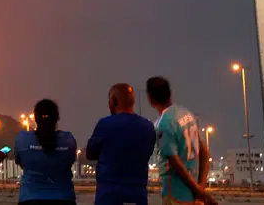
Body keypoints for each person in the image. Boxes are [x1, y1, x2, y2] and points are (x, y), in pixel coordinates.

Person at [146, 76, 215, 205]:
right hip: (193, 196)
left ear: (151, 99)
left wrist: (200, 193)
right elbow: (205, 152)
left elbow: (175, 164)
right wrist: (200, 189)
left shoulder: (163, 125)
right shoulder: (187, 114)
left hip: (175, 195)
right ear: (170, 94)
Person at [84, 83, 156, 205]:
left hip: (109, 195)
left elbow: (90, 154)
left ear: (114, 100)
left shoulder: (105, 124)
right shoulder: (148, 127)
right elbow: (148, 152)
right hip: (138, 194)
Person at [14, 98, 78, 205]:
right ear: (57, 118)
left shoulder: (22, 139)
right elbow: (70, 161)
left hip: (30, 198)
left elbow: (19, 161)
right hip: (64, 198)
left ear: (35, 118)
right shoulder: (68, 140)